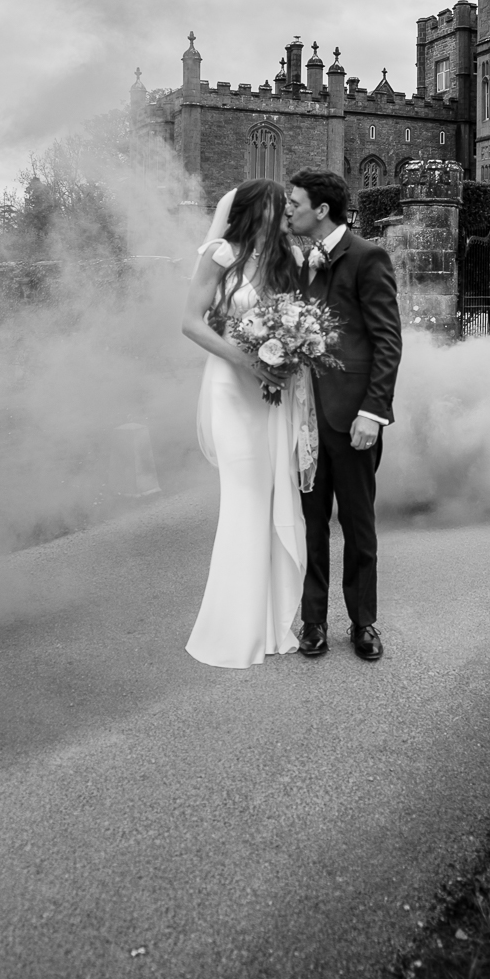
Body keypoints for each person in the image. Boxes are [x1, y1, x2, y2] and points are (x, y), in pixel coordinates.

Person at [179, 179, 316, 668]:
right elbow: (191, 322)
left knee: (272, 496)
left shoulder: (291, 262)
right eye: (281, 207)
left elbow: (300, 319)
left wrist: (291, 351)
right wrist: (244, 359)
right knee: (244, 498)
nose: (287, 215)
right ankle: (233, 627)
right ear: (259, 210)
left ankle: (275, 622)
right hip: (231, 388)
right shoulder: (221, 254)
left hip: (271, 393)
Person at [284, 168, 402, 661]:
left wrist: (373, 413)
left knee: (357, 524)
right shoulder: (297, 262)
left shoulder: (367, 257)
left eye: (294, 203)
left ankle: (363, 622)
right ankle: (312, 621)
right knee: (310, 524)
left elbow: (387, 341)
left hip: (353, 417)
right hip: (306, 416)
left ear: (322, 210)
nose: (287, 210)